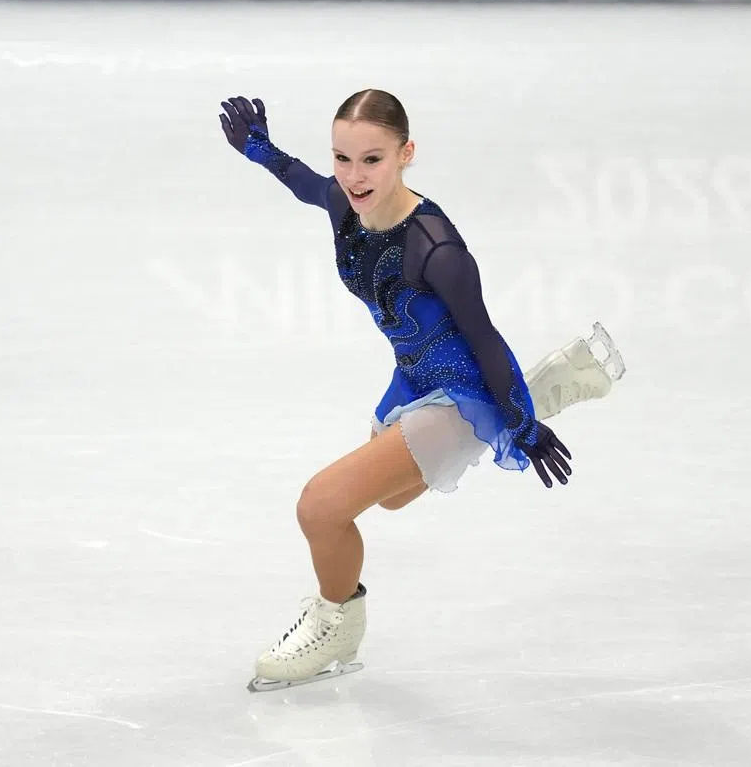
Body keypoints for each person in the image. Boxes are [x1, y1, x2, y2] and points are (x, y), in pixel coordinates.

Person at [219, 88, 624, 691]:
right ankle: (515, 401)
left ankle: (337, 623)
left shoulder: (436, 249)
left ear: (406, 153)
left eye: (373, 160)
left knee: (321, 507)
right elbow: (306, 183)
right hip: (412, 374)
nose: (354, 178)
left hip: (460, 388)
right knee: (390, 499)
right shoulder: (347, 203)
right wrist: (258, 149)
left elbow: (485, 340)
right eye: (343, 158)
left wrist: (522, 426)